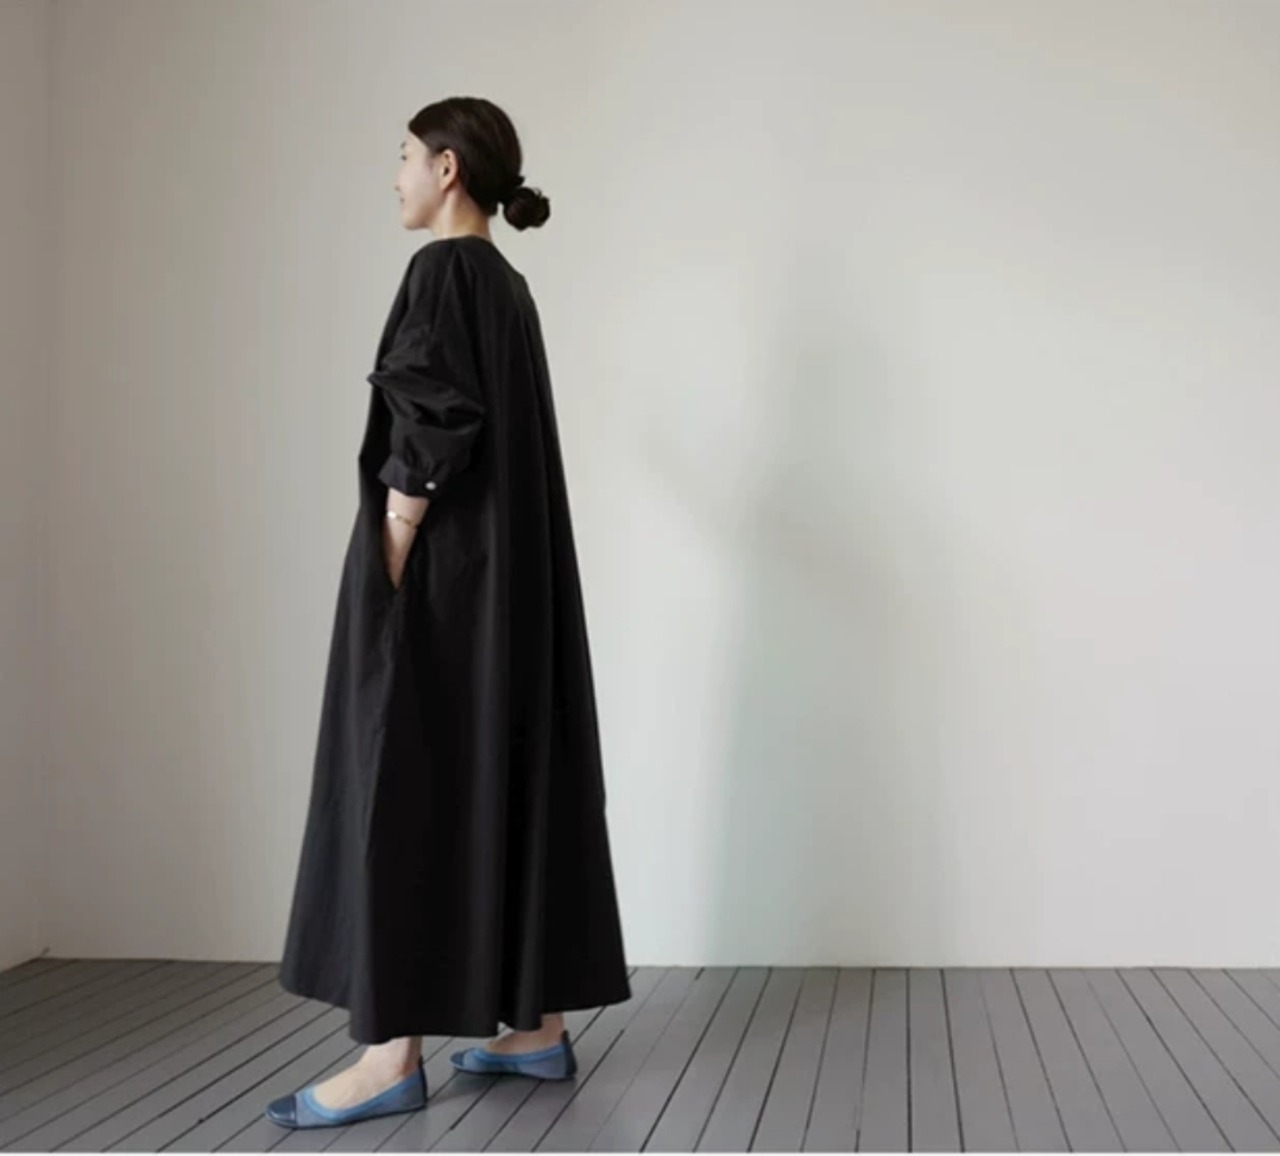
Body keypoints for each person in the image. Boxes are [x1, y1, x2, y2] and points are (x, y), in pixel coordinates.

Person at [266, 96, 631, 1130]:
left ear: (447, 169)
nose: (394, 176)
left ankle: (388, 1057)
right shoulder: (506, 285)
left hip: (446, 582)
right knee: (499, 774)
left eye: (403, 156)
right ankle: (535, 1027)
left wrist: (393, 539)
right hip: (509, 590)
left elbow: (433, 415)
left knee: (404, 783)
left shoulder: (441, 273)